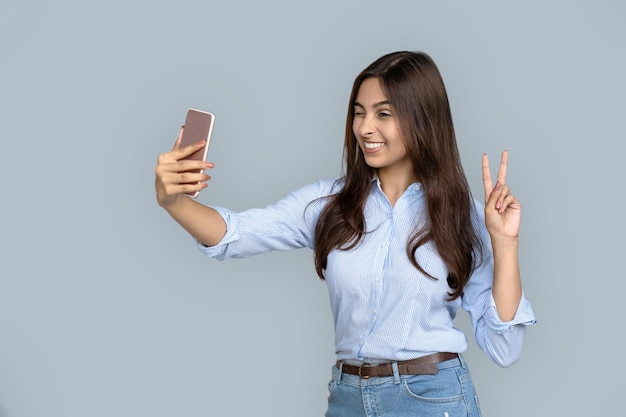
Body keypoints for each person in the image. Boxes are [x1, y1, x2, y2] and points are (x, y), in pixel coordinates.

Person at [154, 51, 536, 417]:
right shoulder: (329, 204)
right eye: (359, 113)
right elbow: (236, 233)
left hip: (432, 400)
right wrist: (173, 201)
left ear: (423, 119)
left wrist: (505, 244)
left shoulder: (460, 214)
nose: (364, 128)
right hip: (348, 398)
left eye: (383, 113)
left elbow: (504, 347)